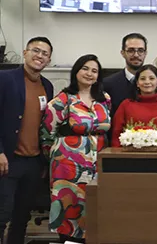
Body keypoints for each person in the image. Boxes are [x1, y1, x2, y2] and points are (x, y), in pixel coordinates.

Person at [40, 54, 111, 243]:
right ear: (76, 72)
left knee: (94, 207)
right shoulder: (62, 99)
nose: (89, 74)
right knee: (70, 209)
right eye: (85, 69)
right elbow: (47, 134)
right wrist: (56, 158)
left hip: (97, 164)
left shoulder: (104, 99)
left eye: (94, 71)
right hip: (67, 166)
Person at [0, 37, 54, 244]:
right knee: (2, 214)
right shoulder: (5, 79)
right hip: (8, 159)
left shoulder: (47, 86)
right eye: (35, 50)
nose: (39, 56)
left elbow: (45, 125)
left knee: (22, 217)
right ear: (25, 52)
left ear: (49, 60)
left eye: (45, 54)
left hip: (33, 162)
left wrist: (43, 160)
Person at [111, 64, 157, 148]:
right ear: (137, 83)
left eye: (151, 78)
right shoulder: (126, 105)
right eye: (142, 79)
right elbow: (116, 134)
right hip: (130, 155)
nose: (147, 82)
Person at [105, 33, 148, 120]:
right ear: (123, 53)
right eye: (131, 50)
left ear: (145, 53)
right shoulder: (108, 84)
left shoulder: (154, 84)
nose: (136, 55)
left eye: (140, 50)